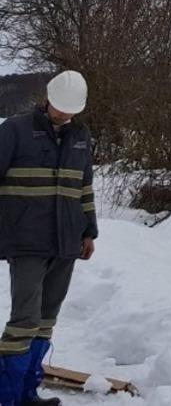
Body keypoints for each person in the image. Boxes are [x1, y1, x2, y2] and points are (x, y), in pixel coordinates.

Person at [0, 70, 97, 406]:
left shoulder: (81, 135)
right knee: (24, 320)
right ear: (48, 98)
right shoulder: (14, 129)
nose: (64, 114)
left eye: (71, 110)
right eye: (60, 108)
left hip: (66, 242)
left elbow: (84, 188)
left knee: (46, 319)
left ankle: (28, 394)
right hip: (26, 240)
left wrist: (89, 232)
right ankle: (7, 398)